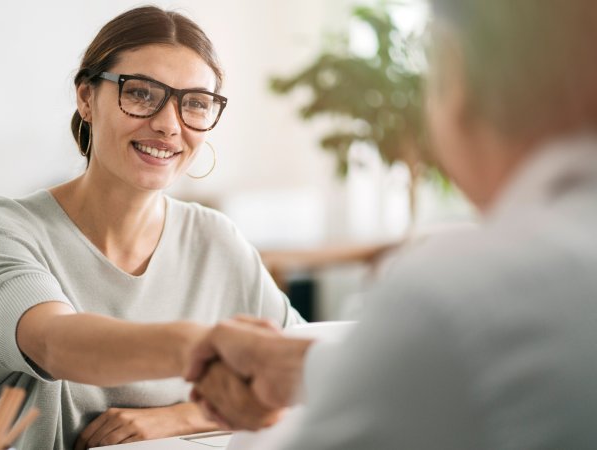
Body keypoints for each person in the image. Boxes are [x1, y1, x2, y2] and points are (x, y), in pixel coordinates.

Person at [186, 0, 597, 448]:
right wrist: (308, 367)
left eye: (195, 103)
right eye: (141, 94)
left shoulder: (453, 294)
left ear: (453, 75)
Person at [0, 6, 304, 450]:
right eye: (142, 94)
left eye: (195, 104)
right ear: (86, 98)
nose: (168, 125)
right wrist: (202, 347)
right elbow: (54, 343)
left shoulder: (217, 239)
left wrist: (181, 417)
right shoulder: (8, 226)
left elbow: (296, 375)